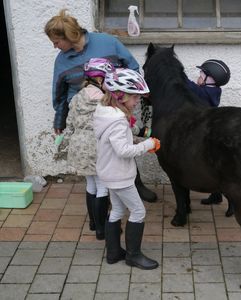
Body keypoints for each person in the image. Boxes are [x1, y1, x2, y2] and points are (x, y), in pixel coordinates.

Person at [45, 9, 157, 202]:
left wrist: (124, 95)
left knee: (123, 143)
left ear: (69, 36)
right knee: (98, 160)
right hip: (86, 115)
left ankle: (134, 185)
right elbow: (60, 93)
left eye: (56, 42)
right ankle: (106, 203)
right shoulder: (62, 60)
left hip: (115, 106)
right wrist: (59, 119)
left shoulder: (107, 42)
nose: (55, 47)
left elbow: (132, 67)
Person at [93, 68, 160, 269]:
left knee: (117, 210)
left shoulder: (104, 113)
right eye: (135, 98)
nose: (137, 101)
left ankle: (113, 253)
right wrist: (148, 145)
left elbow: (117, 142)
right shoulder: (118, 121)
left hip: (108, 172)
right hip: (119, 175)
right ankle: (133, 255)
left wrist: (140, 139)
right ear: (120, 96)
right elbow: (123, 150)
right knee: (138, 211)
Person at [65, 58, 114, 240]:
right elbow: (111, 122)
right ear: (100, 79)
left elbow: (69, 123)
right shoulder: (104, 100)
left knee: (91, 184)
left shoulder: (77, 97)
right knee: (103, 186)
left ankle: (93, 223)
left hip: (78, 144)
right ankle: (102, 229)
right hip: (95, 144)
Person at [186, 59, 231, 207]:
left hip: (204, 133)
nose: (197, 78)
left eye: (200, 75)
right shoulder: (214, 90)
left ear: (209, 79)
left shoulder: (205, 92)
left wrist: (179, 75)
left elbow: (190, 86)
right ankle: (216, 195)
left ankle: (230, 201)